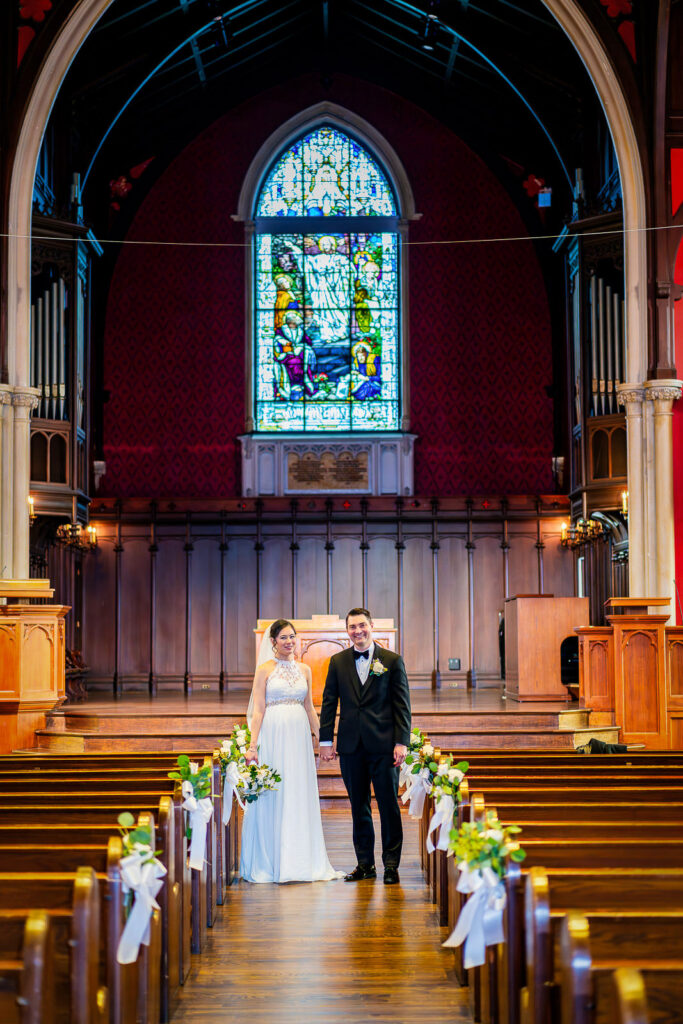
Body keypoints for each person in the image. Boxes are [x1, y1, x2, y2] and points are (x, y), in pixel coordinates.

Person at [239, 619, 342, 884]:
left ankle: (301, 859)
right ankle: (272, 860)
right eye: (283, 637)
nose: (289, 642)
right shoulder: (264, 670)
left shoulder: (305, 669)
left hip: (298, 737)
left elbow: (309, 708)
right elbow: (258, 710)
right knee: (277, 791)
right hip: (273, 734)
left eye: (292, 637)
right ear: (272, 642)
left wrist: (324, 739)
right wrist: (252, 746)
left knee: (298, 790)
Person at [319, 608, 411, 885]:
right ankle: (365, 864)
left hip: (383, 746)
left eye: (362, 625)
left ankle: (391, 865)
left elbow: (402, 705)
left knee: (388, 806)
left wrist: (401, 742)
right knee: (358, 806)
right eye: (352, 627)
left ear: (372, 626)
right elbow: (328, 703)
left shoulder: (392, 661)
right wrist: (326, 741)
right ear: (347, 631)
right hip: (350, 746)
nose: (357, 631)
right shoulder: (337, 661)